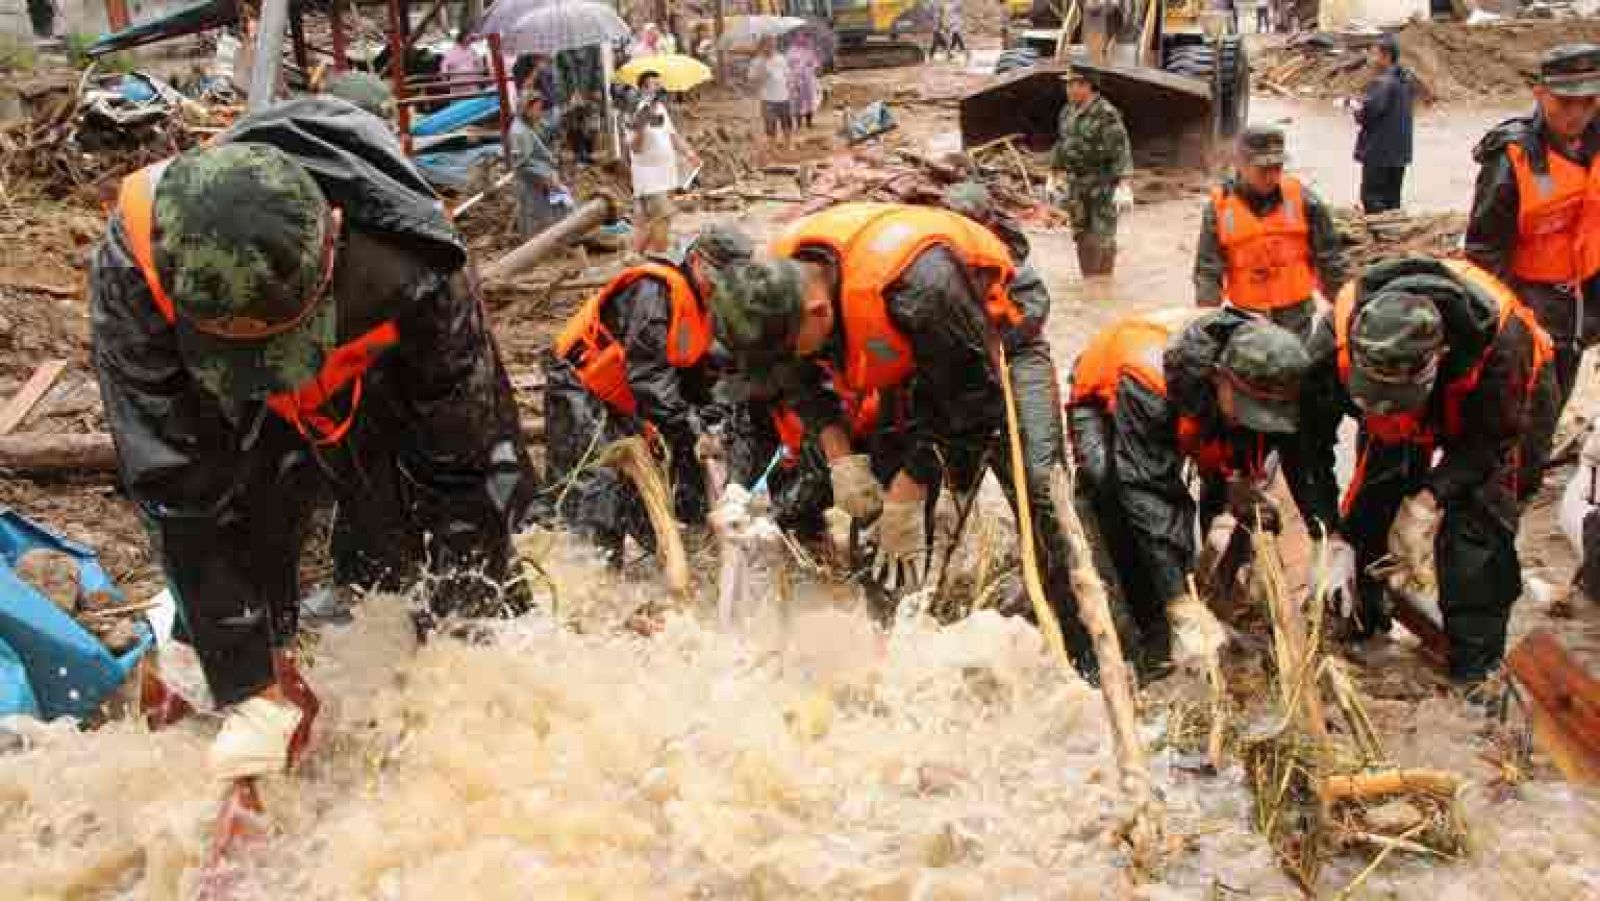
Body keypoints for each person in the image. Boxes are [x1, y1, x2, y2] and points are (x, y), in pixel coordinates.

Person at [90, 98, 537, 780]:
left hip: (375, 373)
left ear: (334, 234)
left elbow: (468, 459)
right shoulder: (136, 266)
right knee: (245, 531)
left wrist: (467, 661)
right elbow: (176, 483)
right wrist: (248, 676)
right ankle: (232, 686)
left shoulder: (414, 259)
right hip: (232, 409)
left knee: (416, 538)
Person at [709, 203, 1093, 676]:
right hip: (916, 356)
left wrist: (914, 487)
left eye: (789, 351)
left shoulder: (919, 286)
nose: (785, 362)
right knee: (882, 515)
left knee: (1039, 490)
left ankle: (1080, 649)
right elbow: (798, 379)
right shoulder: (774, 290)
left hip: (999, 344)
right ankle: (893, 646)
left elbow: (976, 400)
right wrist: (840, 457)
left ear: (820, 310)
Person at [1299, 256, 1555, 687]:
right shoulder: (1331, 345)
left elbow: (1486, 446)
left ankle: (1476, 672)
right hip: (1412, 408)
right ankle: (1362, 618)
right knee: (1374, 500)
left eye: (1396, 395)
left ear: (1439, 357)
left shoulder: (1502, 350)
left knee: (1478, 533)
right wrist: (1327, 532)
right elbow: (1306, 444)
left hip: (1501, 412)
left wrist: (1428, 499)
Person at [1067, 309, 1332, 675]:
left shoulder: (1277, 379)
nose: (1254, 420)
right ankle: (1150, 625)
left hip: (1193, 407)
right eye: (1248, 410)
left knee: (1216, 482)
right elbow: (1149, 492)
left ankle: (1209, 591)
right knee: (1111, 487)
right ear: (1220, 378)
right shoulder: (1151, 385)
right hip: (1107, 402)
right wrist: (1178, 602)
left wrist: (1327, 536)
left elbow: (1297, 460)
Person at [542, 224, 754, 559]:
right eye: (717, 280)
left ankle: (671, 550)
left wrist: (716, 420)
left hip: (627, 395)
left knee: (663, 473)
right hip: (581, 384)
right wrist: (693, 431)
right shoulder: (653, 293)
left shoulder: (704, 306)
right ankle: (589, 570)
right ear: (697, 261)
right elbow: (649, 378)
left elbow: (691, 370)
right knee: (595, 485)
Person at [1466, 44, 1600, 431]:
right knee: (1522, 405)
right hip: (1530, 300)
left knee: (1560, 388)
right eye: (1564, 101)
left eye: (1588, 101)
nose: (1577, 113)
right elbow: (1484, 252)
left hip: (1583, 299)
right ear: (1541, 95)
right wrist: (1508, 323)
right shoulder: (1513, 156)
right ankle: (1514, 476)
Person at [1193, 125, 1347, 339]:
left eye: (1277, 167)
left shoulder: (1304, 200)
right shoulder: (1219, 208)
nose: (1272, 175)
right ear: (1240, 164)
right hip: (1247, 320)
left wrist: (1345, 309)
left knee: (1297, 368)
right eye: (1263, 168)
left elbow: (1330, 259)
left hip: (1296, 317)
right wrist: (1207, 322)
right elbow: (1208, 271)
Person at [1051, 67, 1134, 277]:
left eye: (1073, 84)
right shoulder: (1067, 112)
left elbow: (1121, 149)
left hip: (1103, 184)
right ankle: (1089, 279)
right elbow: (1063, 144)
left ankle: (1104, 280)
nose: (1068, 89)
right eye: (1067, 84)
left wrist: (1124, 184)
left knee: (1103, 236)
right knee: (1081, 234)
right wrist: (1054, 173)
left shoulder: (1106, 114)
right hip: (1077, 185)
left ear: (1087, 85)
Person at [627, 70, 700, 255]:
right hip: (649, 179)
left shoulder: (660, 109)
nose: (659, 89)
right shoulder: (636, 111)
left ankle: (634, 256)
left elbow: (672, 136)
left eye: (660, 85)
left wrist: (689, 153)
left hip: (665, 175)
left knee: (649, 223)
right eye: (654, 85)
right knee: (662, 218)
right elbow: (634, 147)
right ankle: (661, 256)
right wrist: (642, 125)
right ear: (644, 89)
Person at [1353, 33, 1415, 214]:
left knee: (1372, 199)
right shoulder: (1405, 79)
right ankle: (1394, 236)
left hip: (1379, 153)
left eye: (1374, 54)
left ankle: (1380, 239)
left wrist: (1357, 110)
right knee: (1393, 200)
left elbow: (1369, 113)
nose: (1371, 59)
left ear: (1386, 57)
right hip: (1400, 153)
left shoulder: (1383, 83)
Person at [510, 92, 573, 237]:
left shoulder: (528, 126)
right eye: (537, 109)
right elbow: (521, 164)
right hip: (533, 182)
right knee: (535, 218)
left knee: (554, 211)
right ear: (527, 109)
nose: (540, 112)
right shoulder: (520, 132)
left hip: (541, 179)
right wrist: (546, 177)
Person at [750, 37, 793, 151]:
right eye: (768, 45)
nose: (771, 47)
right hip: (768, 99)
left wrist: (790, 86)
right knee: (770, 124)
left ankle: (788, 144)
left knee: (786, 122)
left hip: (784, 96)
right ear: (762, 46)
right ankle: (772, 147)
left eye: (773, 44)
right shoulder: (757, 62)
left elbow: (787, 74)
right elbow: (752, 79)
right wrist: (762, 74)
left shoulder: (781, 59)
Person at [787, 32, 822, 130]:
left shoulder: (810, 50)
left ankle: (809, 122)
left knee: (809, 100)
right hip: (795, 79)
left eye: (804, 37)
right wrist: (790, 76)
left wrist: (813, 68)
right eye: (799, 37)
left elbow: (816, 63)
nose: (802, 39)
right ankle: (798, 124)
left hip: (808, 79)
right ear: (796, 38)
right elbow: (787, 65)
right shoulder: (791, 50)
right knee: (796, 101)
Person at [932, 0, 969, 64]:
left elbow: (955, 10)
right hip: (944, 21)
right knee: (937, 35)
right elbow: (938, 12)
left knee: (956, 34)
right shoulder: (938, 3)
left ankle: (961, 51)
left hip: (953, 21)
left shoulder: (955, 3)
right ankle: (947, 51)